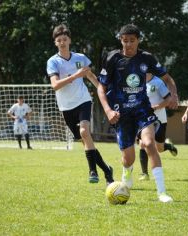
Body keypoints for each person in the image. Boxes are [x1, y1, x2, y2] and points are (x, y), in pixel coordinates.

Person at [97, 24, 178, 203]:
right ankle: (127, 172)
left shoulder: (146, 58)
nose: (128, 44)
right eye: (125, 41)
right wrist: (108, 110)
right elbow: (101, 88)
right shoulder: (112, 58)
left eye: (132, 41)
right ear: (120, 40)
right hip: (121, 114)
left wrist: (174, 94)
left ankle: (162, 193)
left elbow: (167, 78)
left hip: (142, 109)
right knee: (128, 158)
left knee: (149, 144)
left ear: (138, 40)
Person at [46, 24, 114, 185]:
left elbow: (90, 76)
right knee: (85, 141)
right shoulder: (53, 62)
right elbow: (55, 85)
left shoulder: (80, 58)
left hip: (83, 100)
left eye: (65, 39)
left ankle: (93, 171)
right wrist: (75, 75)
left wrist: (103, 92)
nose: (62, 42)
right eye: (59, 40)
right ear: (55, 43)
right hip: (66, 107)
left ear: (69, 40)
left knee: (84, 132)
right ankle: (107, 171)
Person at [138, 73, 178, 181]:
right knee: (143, 143)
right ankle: (144, 173)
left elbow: (168, 100)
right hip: (145, 119)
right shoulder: (138, 81)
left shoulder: (158, 82)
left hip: (159, 119)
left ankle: (168, 146)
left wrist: (156, 107)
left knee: (159, 148)